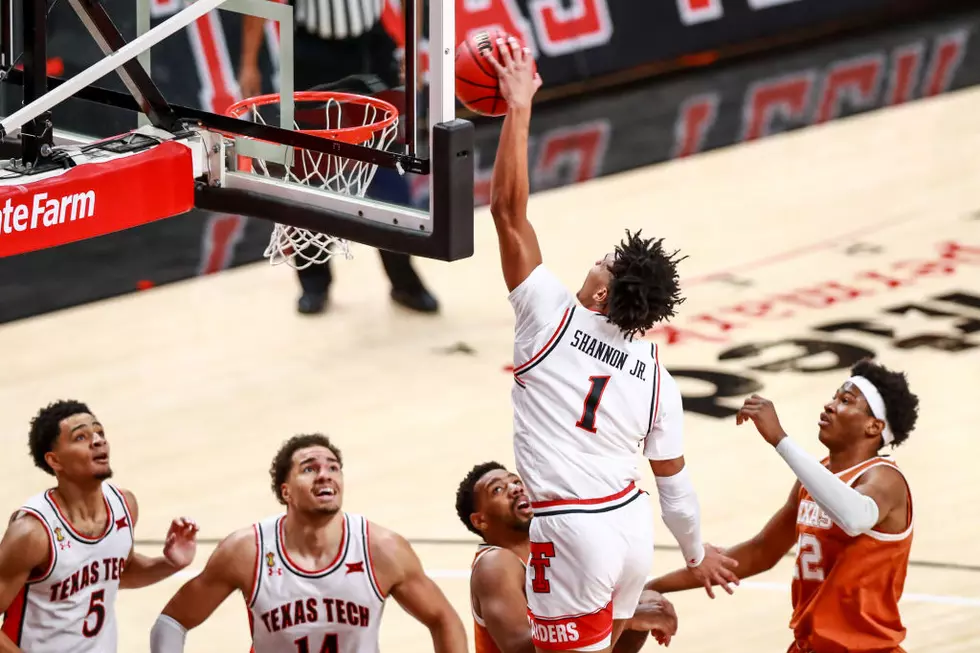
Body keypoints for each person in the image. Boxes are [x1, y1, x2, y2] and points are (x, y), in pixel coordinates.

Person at [485, 38, 738, 653]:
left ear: (600, 298)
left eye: (602, 264)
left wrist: (518, 107)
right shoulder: (657, 374)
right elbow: (675, 489)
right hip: (631, 525)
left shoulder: (551, 316)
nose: (595, 262)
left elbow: (507, 212)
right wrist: (696, 553)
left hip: (572, 527)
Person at [647, 359, 919, 653]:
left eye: (845, 400)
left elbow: (855, 517)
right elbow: (761, 551)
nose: (829, 406)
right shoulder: (817, 477)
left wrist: (779, 439)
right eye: (834, 396)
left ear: (873, 426)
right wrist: (654, 585)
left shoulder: (885, 479)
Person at [149, 433, 467, 653]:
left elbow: (443, 618)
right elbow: (172, 621)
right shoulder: (247, 551)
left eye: (333, 467)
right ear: (286, 491)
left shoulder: (380, 548)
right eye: (310, 469)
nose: (325, 475)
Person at [238, 0, 439, 316]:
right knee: (309, 174)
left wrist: (411, 47)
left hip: (370, 49)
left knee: (387, 165)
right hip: (310, 53)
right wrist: (249, 62)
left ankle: (403, 279)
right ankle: (314, 281)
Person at [0, 400, 199, 652]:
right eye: (81, 437)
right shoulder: (33, 532)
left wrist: (170, 563)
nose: (98, 440)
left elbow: (119, 573)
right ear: (55, 460)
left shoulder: (124, 506)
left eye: (99, 432)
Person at [455, 461, 680, 653]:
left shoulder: (549, 549)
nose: (515, 489)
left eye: (516, 481)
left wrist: (637, 603)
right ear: (480, 521)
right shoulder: (494, 563)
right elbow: (518, 647)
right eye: (497, 490)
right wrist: (629, 617)